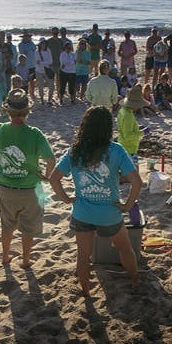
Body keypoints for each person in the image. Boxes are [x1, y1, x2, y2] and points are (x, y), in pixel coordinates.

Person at [48, 106, 141, 294]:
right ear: (108, 127)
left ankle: (86, 293)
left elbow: (53, 178)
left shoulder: (74, 151)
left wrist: (67, 199)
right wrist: (128, 205)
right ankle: (135, 281)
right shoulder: (116, 150)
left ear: (85, 126)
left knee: (83, 256)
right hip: (109, 214)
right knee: (124, 248)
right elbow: (136, 182)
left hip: (82, 213)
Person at [0, 89, 55, 267]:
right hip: (30, 188)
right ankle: (26, 260)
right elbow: (51, 159)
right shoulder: (35, 133)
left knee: (7, 223)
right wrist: (46, 176)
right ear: (27, 111)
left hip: (5, 186)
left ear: (8, 111)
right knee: (28, 227)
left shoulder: (0, 130)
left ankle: (5, 257)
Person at [117, 85, 148, 162]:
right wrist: (143, 132)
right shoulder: (128, 116)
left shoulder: (123, 110)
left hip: (124, 145)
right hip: (129, 149)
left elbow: (125, 128)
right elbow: (128, 136)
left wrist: (137, 127)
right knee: (134, 171)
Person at [34, 38, 55, 105]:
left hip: (47, 70)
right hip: (39, 71)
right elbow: (37, 63)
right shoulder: (36, 52)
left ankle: (49, 99)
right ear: (40, 44)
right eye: (42, 43)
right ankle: (42, 99)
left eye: (44, 43)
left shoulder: (48, 50)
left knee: (51, 86)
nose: (43, 44)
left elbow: (50, 61)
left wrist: (41, 62)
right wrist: (45, 63)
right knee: (40, 86)